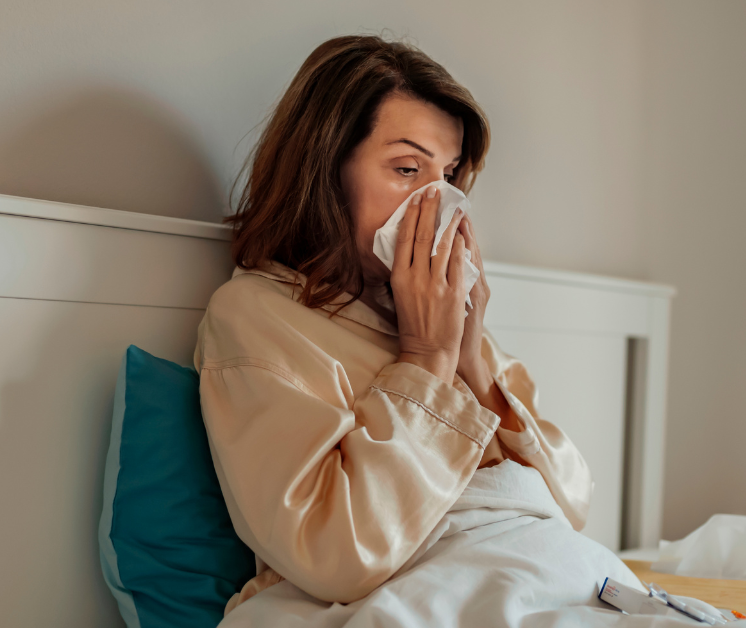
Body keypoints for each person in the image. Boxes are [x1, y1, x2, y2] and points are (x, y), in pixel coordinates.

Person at [193, 35, 592, 614]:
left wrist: (471, 361)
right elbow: (334, 552)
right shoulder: (255, 317)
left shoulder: (441, 316)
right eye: (407, 168)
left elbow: (570, 509)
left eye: (450, 174)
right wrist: (427, 358)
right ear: (325, 171)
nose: (439, 202)